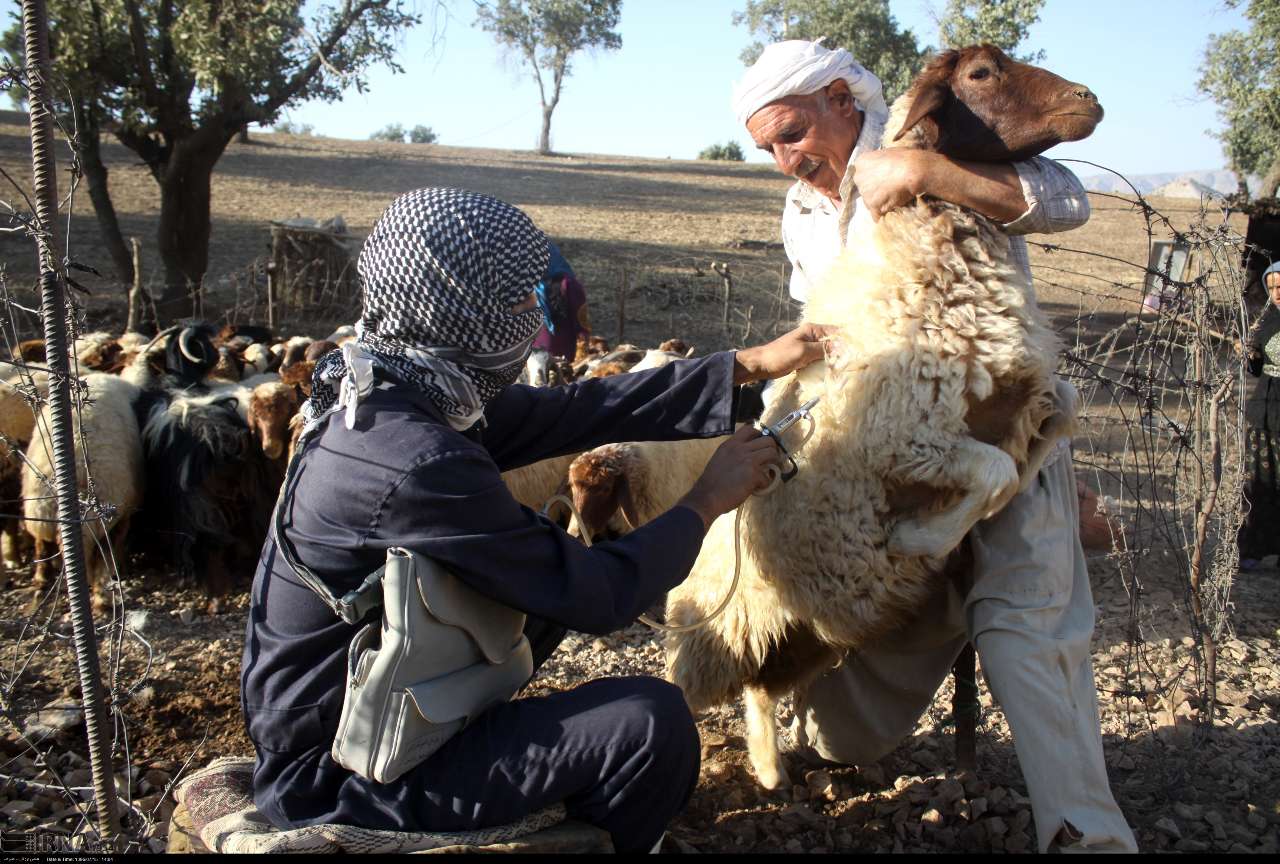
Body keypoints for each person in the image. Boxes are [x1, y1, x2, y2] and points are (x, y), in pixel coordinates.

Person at [239, 187, 833, 854]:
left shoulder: (392, 392)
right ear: (461, 310)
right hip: (341, 773)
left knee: (535, 605)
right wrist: (707, 498)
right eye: (518, 301)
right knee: (651, 721)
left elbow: (575, 410)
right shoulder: (413, 458)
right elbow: (601, 595)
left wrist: (748, 365)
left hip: (373, 716)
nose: (535, 316)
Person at [732, 41, 1138, 853]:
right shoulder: (802, 211)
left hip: (1000, 420)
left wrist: (927, 175)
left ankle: (1087, 836)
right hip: (892, 448)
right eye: (767, 148)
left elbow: (1066, 201)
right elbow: (823, 327)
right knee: (866, 634)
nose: (783, 160)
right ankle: (838, 728)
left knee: (1033, 626)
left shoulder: (941, 129)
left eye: (790, 134)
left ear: (843, 98)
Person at [1240, 261, 1280, 568]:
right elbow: (1256, 368)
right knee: (1258, 484)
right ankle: (1253, 549)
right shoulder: (1266, 321)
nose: (1278, 293)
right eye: (1274, 286)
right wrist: (1251, 355)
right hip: (1262, 414)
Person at [531, 241, 591, 362]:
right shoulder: (570, 284)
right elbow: (582, 327)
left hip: (547, 361)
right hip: (551, 359)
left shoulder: (528, 284)